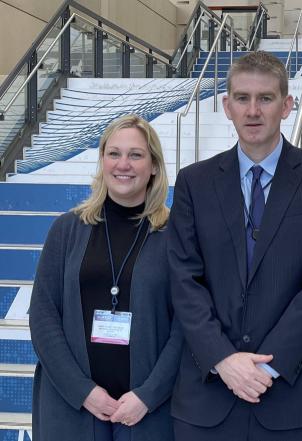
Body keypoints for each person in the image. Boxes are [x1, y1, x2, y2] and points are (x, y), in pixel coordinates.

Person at [167, 51, 302, 441]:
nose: (253, 110)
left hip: (293, 392)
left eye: (265, 98)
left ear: (287, 106)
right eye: (242, 98)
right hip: (208, 395)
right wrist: (223, 359)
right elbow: (184, 278)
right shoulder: (193, 183)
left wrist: (266, 367)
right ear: (226, 106)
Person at [29, 114, 183, 441]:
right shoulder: (66, 230)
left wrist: (149, 395)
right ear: (102, 161)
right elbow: (43, 317)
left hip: (149, 414)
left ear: (154, 166)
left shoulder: (176, 236)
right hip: (73, 410)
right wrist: (83, 391)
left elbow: (186, 326)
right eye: (114, 153)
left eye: (135, 155)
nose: (123, 164)